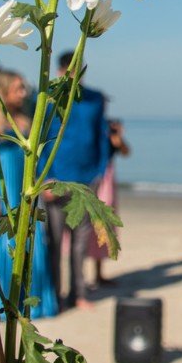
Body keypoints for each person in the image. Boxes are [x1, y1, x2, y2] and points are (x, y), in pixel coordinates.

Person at [0, 71, 59, 319]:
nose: (23, 93)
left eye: (23, 88)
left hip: (23, 189)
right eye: (18, 89)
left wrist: (42, 183)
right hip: (3, 188)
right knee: (4, 244)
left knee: (30, 241)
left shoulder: (25, 120)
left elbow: (34, 160)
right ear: (3, 92)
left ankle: (33, 303)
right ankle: (0, 302)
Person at [43, 50, 109, 311]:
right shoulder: (48, 98)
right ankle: (55, 294)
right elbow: (40, 140)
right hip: (56, 181)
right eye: (70, 70)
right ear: (60, 71)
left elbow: (101, 136)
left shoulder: (95, 99)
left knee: (80, 242)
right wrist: (44, 177)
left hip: (86, 180)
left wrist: (99, 172)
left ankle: (78, 293)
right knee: (55, 242)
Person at [87, 118, 130, 286]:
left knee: (103, 225)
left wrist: (117, 137)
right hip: (94, 177)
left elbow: (125, 151)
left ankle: (98, 273)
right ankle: (86, 276)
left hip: (106, 180)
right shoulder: (95, 128)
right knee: (92, 225)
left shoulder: (111, 133)